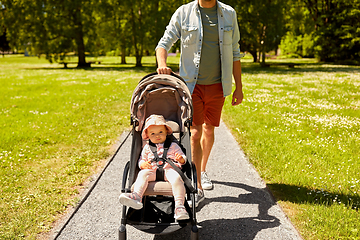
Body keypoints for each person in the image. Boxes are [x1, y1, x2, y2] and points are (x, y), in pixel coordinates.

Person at [155, 0, 244, 207]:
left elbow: (236, 52)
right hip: (191, 86)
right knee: (195, 133)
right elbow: (163, 43)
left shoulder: (229, 14)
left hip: (218, 86)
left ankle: (202, 171)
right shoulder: (184, 13)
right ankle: (197, 187)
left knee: (209, 130)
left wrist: (238, 86)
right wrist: (162, 65)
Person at [119, 114, 189, 221]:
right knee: (142, 174)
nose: (157, 136)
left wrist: (181, 159)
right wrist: (142, 164)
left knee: (176, 179)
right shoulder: (147, 147)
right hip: (152, 170)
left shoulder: (173, 145)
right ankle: (137, 196)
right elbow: (141, 159)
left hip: (169, 170)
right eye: (153, 133)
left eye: (161, 132)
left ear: (166, 131)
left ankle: (179, 206)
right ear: (147, 135)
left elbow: (183, 157)